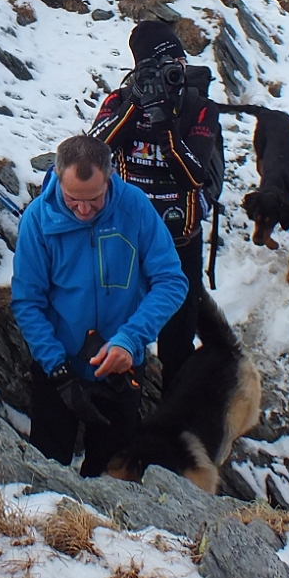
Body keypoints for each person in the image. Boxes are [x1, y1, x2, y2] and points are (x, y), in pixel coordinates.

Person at [10, 134, 187, 475]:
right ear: (58, 179)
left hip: (120, 372)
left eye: (95, 199)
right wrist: (57, 369)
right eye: (73, 199)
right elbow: (28, 301)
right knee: (46, 474)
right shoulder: (37, 220)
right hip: (57, 371)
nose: (84, 209)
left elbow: (171, 281)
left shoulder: (134, 207)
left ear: (110, 178)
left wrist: (130, 339)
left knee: (112, 479)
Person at [90, 20, 225, 383]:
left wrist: (165, 127)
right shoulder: (120, 102)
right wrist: (136, 104)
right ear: (139, 69)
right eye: (163, 66)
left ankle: (170, 428)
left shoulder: (200, 108)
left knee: (177, 346)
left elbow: (194, 175)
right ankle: (123, 414)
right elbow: (91, 155)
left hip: (180, 243)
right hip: (125, 242)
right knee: (119, 335)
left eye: (178, 62)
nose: (175, 71)